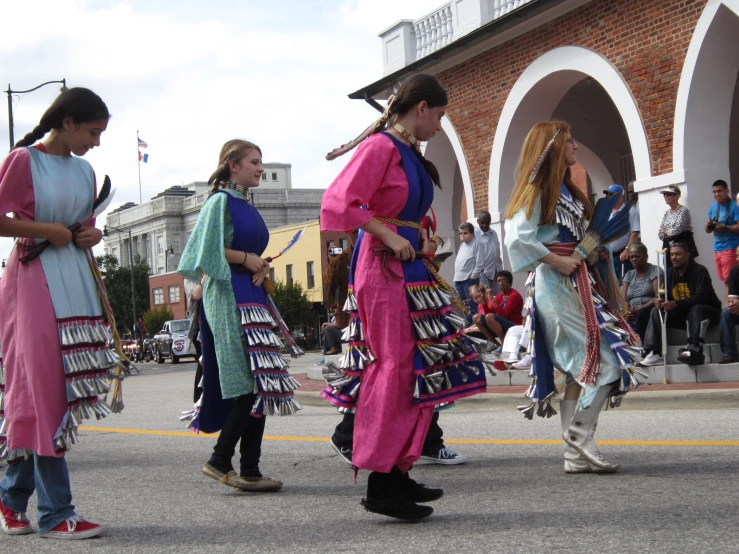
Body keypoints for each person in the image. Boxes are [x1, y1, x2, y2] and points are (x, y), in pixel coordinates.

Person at [320, 74, 488, 520]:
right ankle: (381, 484)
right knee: (393, 369)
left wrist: (414, 239)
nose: (440, 124)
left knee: (415, 367)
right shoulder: (380, 148)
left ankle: (398, 470)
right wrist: (386, 234)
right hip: (383, 267)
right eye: (440, 115)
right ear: (421, 108)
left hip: (408, 264)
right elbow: (337, 204)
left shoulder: (406, 150)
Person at [0, 88, 123, 539]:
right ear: (68, 123)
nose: (96, 141)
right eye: (93, 131)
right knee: (45, 391)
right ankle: (55, 513)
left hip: (73, 278)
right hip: (32, 281)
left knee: (46, 392)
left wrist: (89, 235)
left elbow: (85, 224)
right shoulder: (23, 161)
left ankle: (11, 497)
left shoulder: (85, 170)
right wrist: (46, 230)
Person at [504, 120, 641, 475]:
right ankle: (579, 434)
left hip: (577, 279)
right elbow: (518, 236)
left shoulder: (565, 189)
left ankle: (573, 455)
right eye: (570, 140)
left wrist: (592, 254)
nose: (576, 146)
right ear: (552, 147)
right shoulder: (537, 191)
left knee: (579, 370)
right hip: (556, 284)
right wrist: (557, 259)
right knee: (607, 362)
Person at [178, 139, 301, 494]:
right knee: (246, 385)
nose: (260, 168)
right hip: (228, 297)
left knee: (260, 384)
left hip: (251, 294)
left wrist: (260, 266)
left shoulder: (245, 204)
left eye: (260, 162)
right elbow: (201, 253)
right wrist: (245, 259)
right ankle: (220, 460)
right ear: (233, 165)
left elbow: (247, 251)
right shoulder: (218, 201)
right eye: (254, 162)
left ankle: (249, 470)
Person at [639, 242, 722, 366]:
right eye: (672, 255)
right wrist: (659, 301)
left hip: (707, 314)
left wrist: (676, 303)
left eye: (678, 254)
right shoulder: (669, 273)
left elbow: (701, 297)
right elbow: (663, 294)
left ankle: (695, 349)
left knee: (696, 309)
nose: (673, 257)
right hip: (684, 316)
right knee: (656, 311)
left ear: (688, 255)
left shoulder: (700, 271)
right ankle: (654, 352)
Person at [622, 242, 664, 343]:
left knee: (642, 314)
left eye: (637, 256)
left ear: (646, 256)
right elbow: (623, 297)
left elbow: (657, 296)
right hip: (632, 311)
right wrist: (628, 310)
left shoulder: (655, 270)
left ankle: (646, 347)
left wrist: (638, 309)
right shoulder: (629, 274)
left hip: (649, 308)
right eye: (631, 257)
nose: (634, 259)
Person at [705, 179, 739, 300]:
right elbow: (709, 229)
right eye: (714, 192)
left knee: (729, 281)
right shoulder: (713, 207)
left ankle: (730, 309)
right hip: (717, 247)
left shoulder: (735, 205)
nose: (716, 194)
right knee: (725, 281)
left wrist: (724, 226)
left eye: (719, 191)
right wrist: (709, 227)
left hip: (731, 247)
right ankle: (729, 309)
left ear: (727, 191)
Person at [605, 184, 640, 282]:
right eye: (608, 194)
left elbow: (635, 232)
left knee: (624, 283)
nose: (609, 197)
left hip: (623, 255)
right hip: (608, 256)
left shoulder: (630, 211)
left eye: (612, 194)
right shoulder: (607, 212)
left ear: (621, 196)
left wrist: (627, 250)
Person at [658, 185, 698, 266]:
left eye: (668, 194)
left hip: (682, 247)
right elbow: (660, 233)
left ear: (676, 196)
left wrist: (666, 232)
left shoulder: (683, 211)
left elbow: (678, 230)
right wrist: (665, 232)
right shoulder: (667, 213)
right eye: (664, 195)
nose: (665, 196)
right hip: (669, 249)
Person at [453, 222, 480, 323]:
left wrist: (473, 276)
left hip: (469, 279)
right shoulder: (462, 246)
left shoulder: (477, 243)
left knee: (472, 303)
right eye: (460, 233)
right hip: (459, 278)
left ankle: (476, 323)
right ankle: (469, 323)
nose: (462, 235)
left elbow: (480, 262)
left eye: (465, 233)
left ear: (472, 234)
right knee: (463, 304)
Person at [719, 245, 739, 363]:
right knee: (726, 312)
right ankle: (729, 353)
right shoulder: (735, 271)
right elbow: (733, 301)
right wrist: (735, 305)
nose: (737, 259)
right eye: (737, 256)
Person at [474, 210, 503, 294]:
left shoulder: (493, 233)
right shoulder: (474, 234)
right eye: (482, 223)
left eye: (487, 222)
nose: (485, 225)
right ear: (478, 221)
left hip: (496, 270)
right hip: (483, 273)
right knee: (485, 296)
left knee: (497, 297)